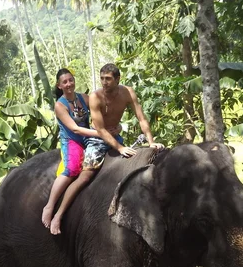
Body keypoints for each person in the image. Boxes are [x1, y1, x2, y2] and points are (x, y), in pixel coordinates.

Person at [44, 63, 164, 235]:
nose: (104, 82)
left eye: (108, 79)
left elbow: (141, 117)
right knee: (85, 176)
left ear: (117, 79)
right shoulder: (94, 97)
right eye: (102, 79)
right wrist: (120, 147)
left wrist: (151, 141)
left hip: (114, 136)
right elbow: (99, 129)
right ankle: (58, 213)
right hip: (97, 139)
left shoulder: (127, 92)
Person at [41, 68, 120, 234]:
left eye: (71, 80)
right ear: (59, 85)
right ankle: (50, 206)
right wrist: (102, 133)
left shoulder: (84, 98)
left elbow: (100, 116)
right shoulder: (60, 105)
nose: (69, 84)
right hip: (72, 140)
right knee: (72, 169)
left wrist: (116, 127)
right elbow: (75, 129)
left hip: (89, 137)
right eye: (65, 82)